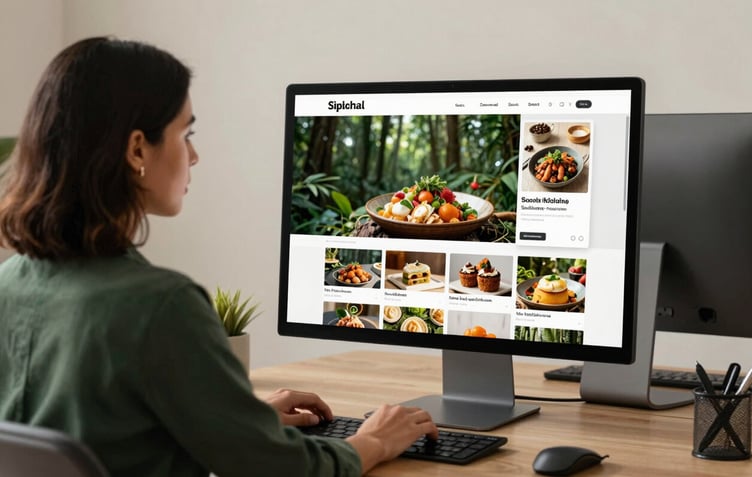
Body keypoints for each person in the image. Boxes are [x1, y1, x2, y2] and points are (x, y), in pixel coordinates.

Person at [0, 37, 437, 477]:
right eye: (185, 134)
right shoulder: (161, 306)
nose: (194, 155)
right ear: (137, 150)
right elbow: (283, 470)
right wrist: (375, 441)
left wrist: (236, 419)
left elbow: (103, 436)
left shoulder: (8, 283)